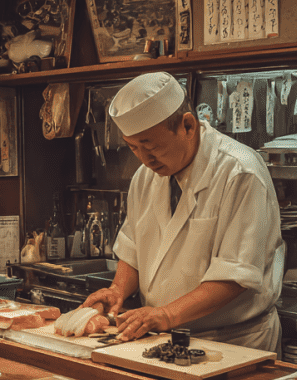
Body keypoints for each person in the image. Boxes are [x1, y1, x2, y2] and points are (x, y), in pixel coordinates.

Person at [81, 71, 283, 351]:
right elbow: (133, 249)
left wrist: (166, 314)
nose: (144, 159)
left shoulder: (240, 172)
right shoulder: (145, 177)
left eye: (151, 146)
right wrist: (117, 290)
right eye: (133, 148)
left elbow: (236, 275)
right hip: (163, 337)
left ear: (188, 126)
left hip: (233, 340)